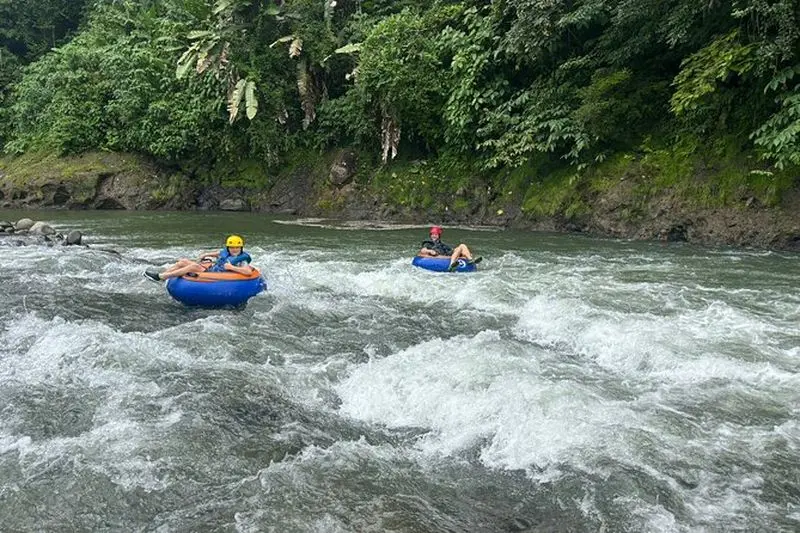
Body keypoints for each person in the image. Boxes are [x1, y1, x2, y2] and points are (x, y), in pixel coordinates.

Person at [143, 234, 253, 281]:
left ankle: (161, 277)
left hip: (216, 276)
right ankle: (165, 276)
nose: (235, 249)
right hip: (212, 270)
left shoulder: (242, 259)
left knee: (193, 266)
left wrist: (231, 267)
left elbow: (247, 272)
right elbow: (218, 253)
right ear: (228, 247)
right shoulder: (226, 252)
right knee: (183, 261)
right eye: (232, 247)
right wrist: (205, 254)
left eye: (237, 247)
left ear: (241, 247)